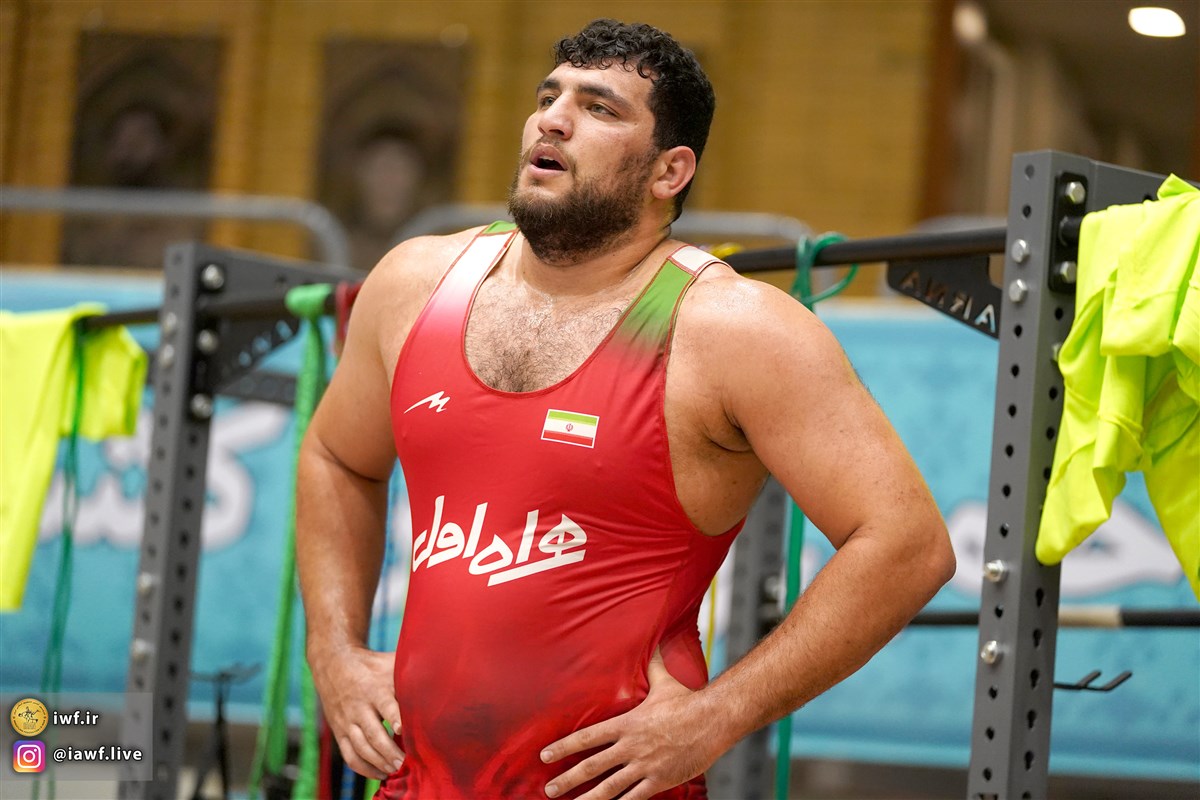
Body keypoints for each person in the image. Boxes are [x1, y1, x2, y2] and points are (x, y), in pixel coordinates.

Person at [297, 18, 955, 800]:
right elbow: (336, 458)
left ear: (670, 170)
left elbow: (907, 544)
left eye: (599, 108)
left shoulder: (733, 330)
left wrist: (718, 715)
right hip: (418, 782)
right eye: (548, 97)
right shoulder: (414, 283)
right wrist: (334, 652)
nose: (552, 120)